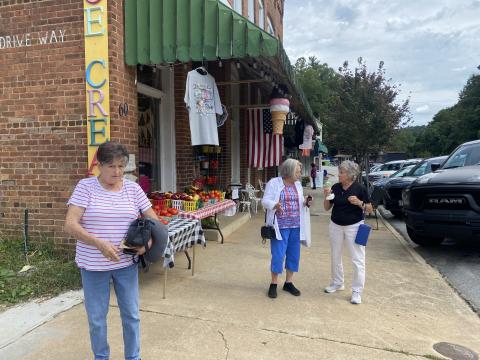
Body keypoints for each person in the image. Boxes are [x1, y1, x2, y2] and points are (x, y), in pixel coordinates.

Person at [65, 142, 159, 360]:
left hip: (126, 265)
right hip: (93, 266)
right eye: (111, 166)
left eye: (121, 166)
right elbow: (70, 224)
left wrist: (147, 246)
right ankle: (101, 357)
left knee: (132, 316)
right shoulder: (85, 187)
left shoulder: (133, 189)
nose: (117, 172)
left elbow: (154, 222)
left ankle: (133, 357)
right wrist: (99, 243)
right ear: (99, 165)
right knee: (97, 319)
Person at [323, 160, 373, 305]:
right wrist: (326, 195)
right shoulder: (335, 187)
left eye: (341, 172)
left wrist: (359, 202)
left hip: (354, 226)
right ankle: (337, 283)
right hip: (335, 225)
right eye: (339, 172)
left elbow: (370, 209)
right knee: (335, 255)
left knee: (357, 259)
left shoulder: (360, 189)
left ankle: (357, 291)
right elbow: (327, 208)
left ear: (350, 175)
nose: (338, 175)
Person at [261, 158, 312, 299]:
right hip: (280, 226)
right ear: (289, 171)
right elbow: (264, 201)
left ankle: (288, 282)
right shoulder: (274, 183)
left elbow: (300, 201)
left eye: (299, 171)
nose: (299, 174)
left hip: (296, 225)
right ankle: (273, 283)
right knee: (278, 255)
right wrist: (274, 205)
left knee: (294, 254)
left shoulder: (298, 185)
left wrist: (306, 201)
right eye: (297, 171)